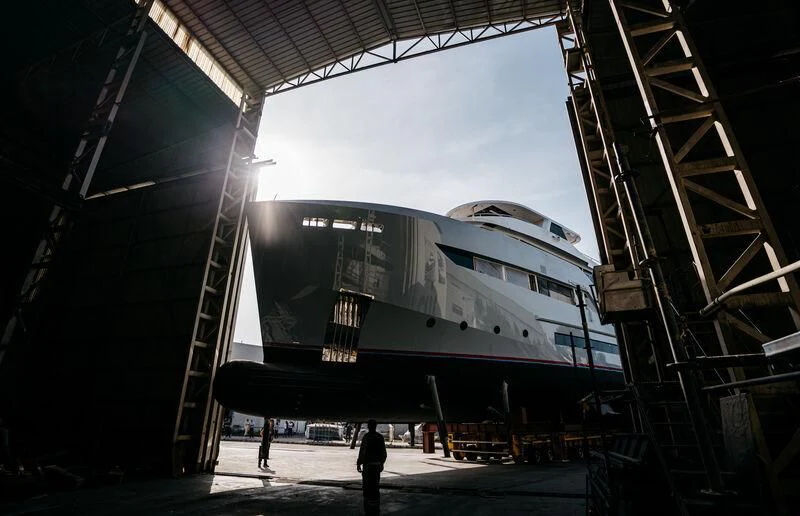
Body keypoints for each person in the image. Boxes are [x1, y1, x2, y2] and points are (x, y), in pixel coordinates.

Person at [357, 419, 387, 515]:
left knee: (367, 486)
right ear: (376, 426)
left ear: (369, 426)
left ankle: (368, 508)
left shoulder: (366, 437)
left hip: (368, 465)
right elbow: (384, 453)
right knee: (375, 485)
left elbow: (362, 451)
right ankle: (375, 506)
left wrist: (359, 463)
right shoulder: (380, 437)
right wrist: (381, 463)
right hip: (377, 465)